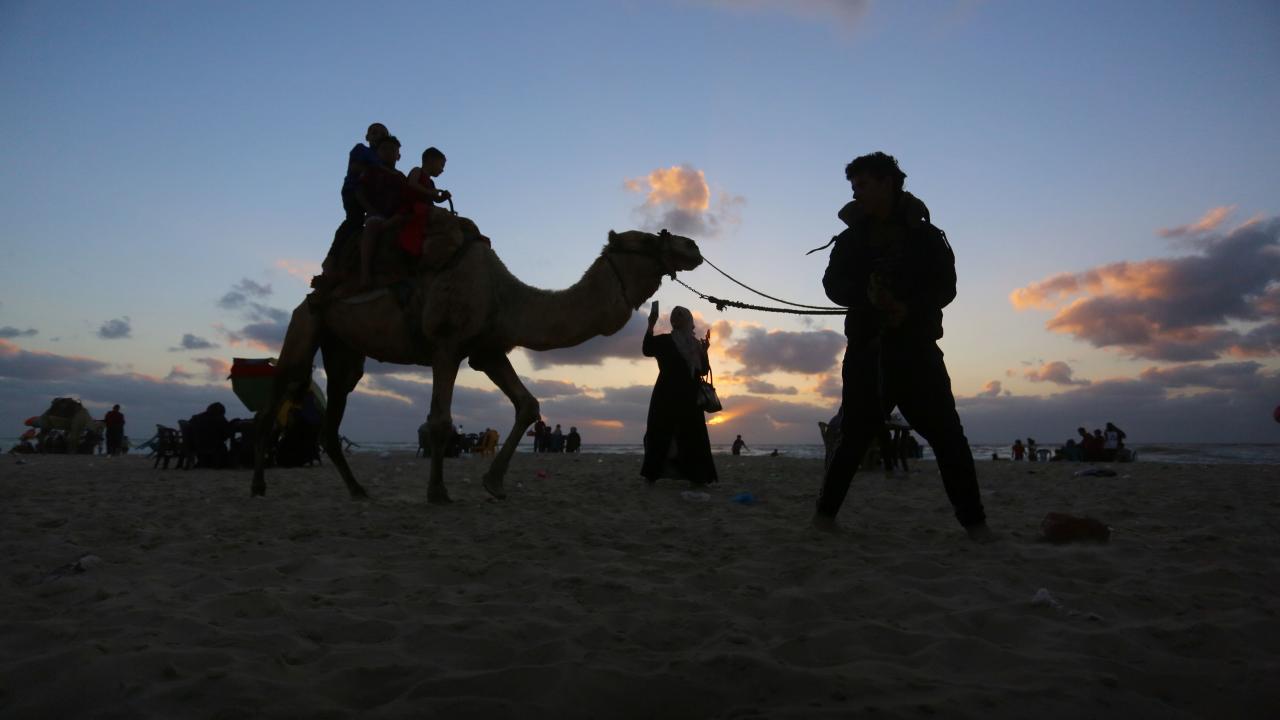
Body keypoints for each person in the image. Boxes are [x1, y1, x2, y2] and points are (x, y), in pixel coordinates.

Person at [814, 152, 990, 541]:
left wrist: (907, 307)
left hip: (916, 349)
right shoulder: (850, 239)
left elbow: (946, 287)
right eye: (853, 186)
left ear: (888, 182)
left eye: (863, 184)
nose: (856, 193)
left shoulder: (927, 237)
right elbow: (832, 284)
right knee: (853, 436)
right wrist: (865, 295)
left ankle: (976, 526)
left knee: (948, 437)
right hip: (866, 349)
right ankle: (823, 519)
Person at [641, 302, 718, 485]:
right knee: (672, 434)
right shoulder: (676, 342)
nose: (679, 319)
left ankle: (688, 476)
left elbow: (702, 370)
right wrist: (651, 324)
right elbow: (647, 350)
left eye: (680, 316)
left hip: (678, 396)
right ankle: (661, 474)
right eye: (678, 316)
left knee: (678, 433)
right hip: (676, 396)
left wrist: (705, 352)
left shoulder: (687, 344)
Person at [355, 135, 411, 289]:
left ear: (398, 156)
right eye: (384, 149)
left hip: (397, 216)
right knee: (372, 226)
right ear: (377, 153)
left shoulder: (401, 177)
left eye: (392, 149)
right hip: (376, 214)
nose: (388, 152)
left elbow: (407, 199)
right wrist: (370, 209)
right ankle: (365, 273)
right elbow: (359, 191)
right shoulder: (372, 171)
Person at [398, 147, 452, 257]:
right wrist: (430, 192)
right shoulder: (417, 170)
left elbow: (435, 199)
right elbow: (412, 183)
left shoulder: (431, 182)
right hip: (414, 206)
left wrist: (443, 197)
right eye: (441, 165)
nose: (442, 170)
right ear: (430, 160)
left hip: (426, 207)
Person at [186, 402, 231, 469]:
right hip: (213, 445)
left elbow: (189, 431)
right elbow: (226, 434)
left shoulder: (195, 418)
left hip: (196, 445)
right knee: (222, 448)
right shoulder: (220, 419)